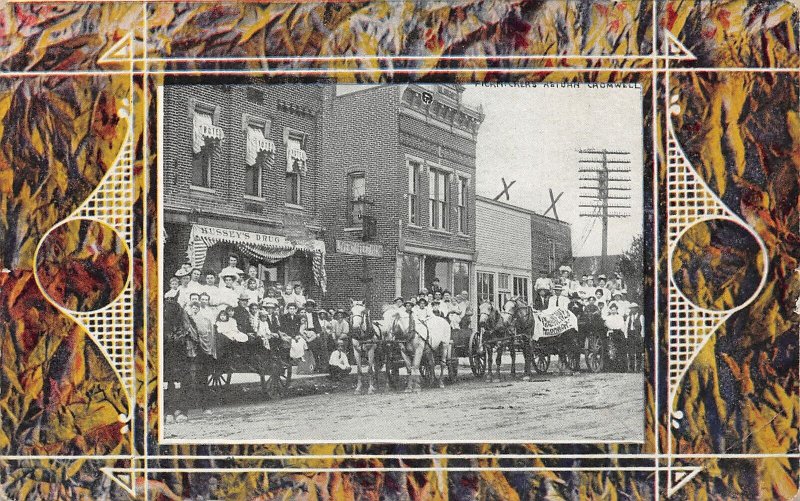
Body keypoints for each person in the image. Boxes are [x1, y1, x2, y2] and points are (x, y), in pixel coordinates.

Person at [626, 303, 644, 372]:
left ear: (637, 309)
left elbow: (642, 327)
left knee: (638, 351)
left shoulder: (641, 316)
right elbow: (626, 327)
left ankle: (638, 368)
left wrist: (642, 336)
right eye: (631, 308)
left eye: (634, 308)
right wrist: (626, 336)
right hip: (631, 334)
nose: (632, 310)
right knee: (631, 352)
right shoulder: (629, 317)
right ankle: (631, 368)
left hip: (638, 334)